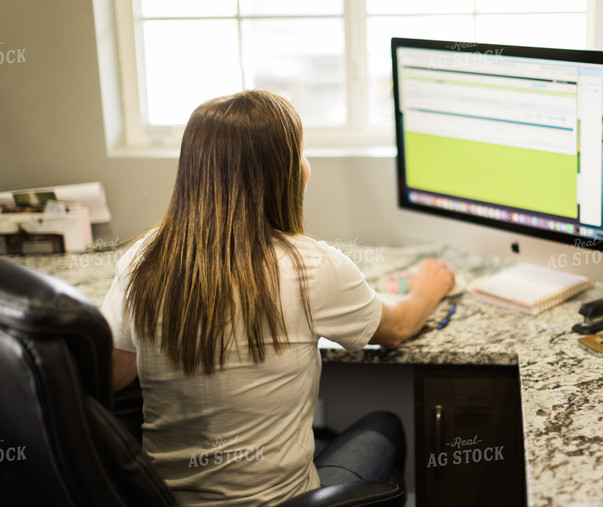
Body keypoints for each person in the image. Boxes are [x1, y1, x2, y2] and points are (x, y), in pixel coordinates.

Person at [101, 89, 454, 506]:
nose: (306, 166)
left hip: (167, 501)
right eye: (300, 153)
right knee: (386, 426)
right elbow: (396, 329)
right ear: (286, 172)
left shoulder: (144, 260)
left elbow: (110, 375)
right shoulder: (314, 266)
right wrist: (429, 286)